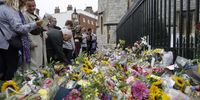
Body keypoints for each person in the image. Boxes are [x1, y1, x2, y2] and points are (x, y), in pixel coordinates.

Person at [0, 0, 43, 80]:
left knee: (4, 69)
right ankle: (8, 89)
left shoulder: (2, 7)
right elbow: (18, 28)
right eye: (23, 2)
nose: (23, 4)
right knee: (11, 70)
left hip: (4, 43)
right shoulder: (10, 9)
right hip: (9, 43)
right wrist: (35, 24)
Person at [24, 0, 47, 67]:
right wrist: (30, 43)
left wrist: (45, 32)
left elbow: (42, 27)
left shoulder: (37, 15)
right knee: (33, 63)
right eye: (29, 6)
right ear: (26, 6)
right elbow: (25, 30)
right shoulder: (24, 15)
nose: (32, 8)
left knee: (41, 62)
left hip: (40, 41)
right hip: (33, 42)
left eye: (33, 6)